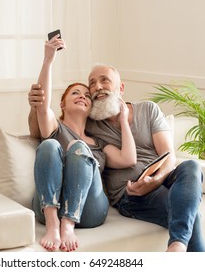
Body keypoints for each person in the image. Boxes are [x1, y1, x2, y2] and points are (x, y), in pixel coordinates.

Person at [28, 64, 205, 252]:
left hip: (161, 177)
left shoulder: (148, 110)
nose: (96, 87)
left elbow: (169, 156)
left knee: (191, 166)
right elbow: (42, 127)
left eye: (104, 80)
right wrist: (35, 106)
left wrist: (156, 180)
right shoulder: (92, 123)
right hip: (130, 194)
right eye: (92, 84)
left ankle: (177, 247)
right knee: (190, 215)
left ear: (120, 88)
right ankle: (179, 246)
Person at [31, 36, 137, 252]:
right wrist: (48, 60)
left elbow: (128, 159)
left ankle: (68, 225)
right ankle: (53, 223)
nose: (83, 96)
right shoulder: (55, 128)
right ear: (62, 102)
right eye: (75, 93)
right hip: (49, 207)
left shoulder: (98, 142)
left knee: (80, 148)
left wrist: (124, 120)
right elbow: (41, 104)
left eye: (87, 95)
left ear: (91, 106)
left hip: (90, 211)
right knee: (49, 146)